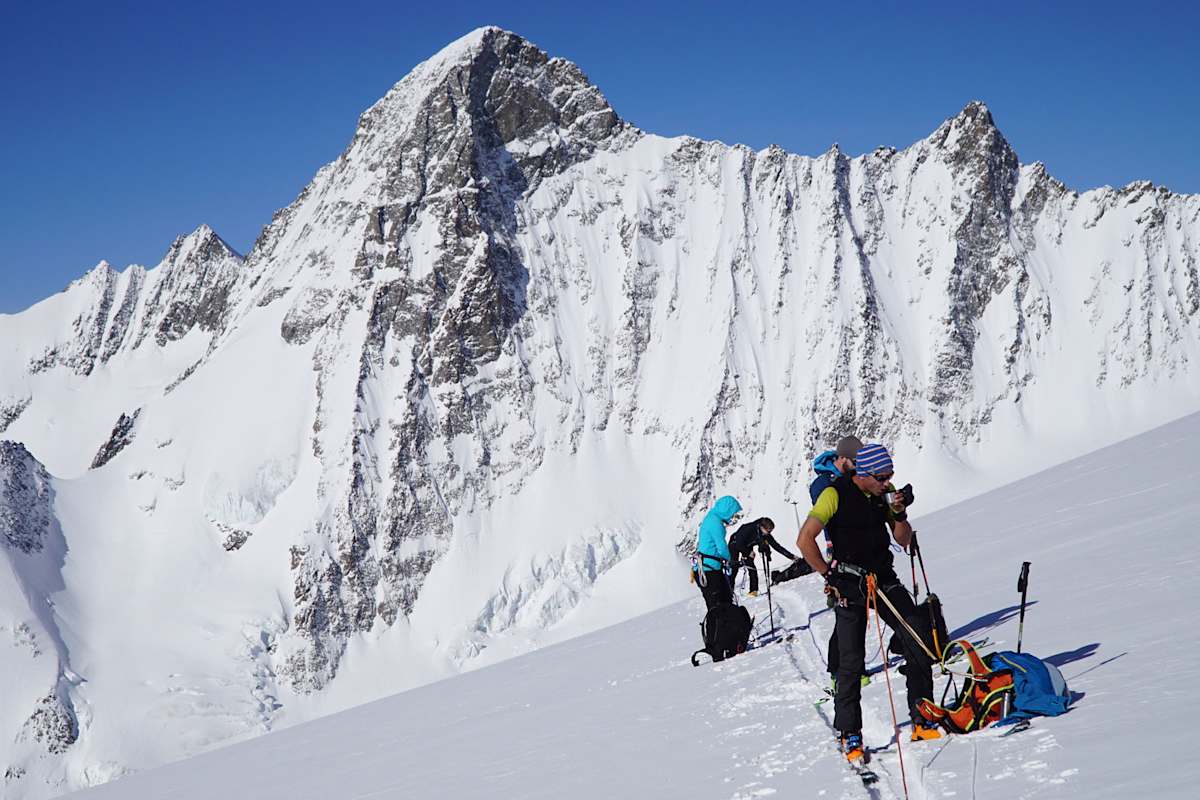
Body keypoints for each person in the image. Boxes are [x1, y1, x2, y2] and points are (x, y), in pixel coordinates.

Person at [795, 443, 940, 763]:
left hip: (883, 577)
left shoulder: (882, 497)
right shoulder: (833, 494)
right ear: (864, 473)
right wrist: (828, 575)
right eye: (883, 475)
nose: (888, 481)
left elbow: (902, 539)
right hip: (849, 582)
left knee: (915, 633)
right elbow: (805, 539)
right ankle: (849, 732)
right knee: (850, 660)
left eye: (890, 475)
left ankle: (922, 713)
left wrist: (899, 512)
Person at [809, 436, 862, 682]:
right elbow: (829, 518)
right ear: (842, 459)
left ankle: (847, 666)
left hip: (855, 548)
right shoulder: (823, 485)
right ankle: (838, 669)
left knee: (854, 608)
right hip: (837, 551)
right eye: (854, 460)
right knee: (845, 607)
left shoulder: (847, 479)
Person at [727, 517, 803, 596]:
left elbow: (776, 546)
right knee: (734, 567)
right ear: (762, 527)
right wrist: (748, 552)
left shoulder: (765, 534)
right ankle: (729, 591)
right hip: (735, 543)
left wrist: (791, 556)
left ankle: (753, 591)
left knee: (751, 567)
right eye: (768, 531)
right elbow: (739, 544)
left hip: (748, 546)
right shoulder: (748, 528)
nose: (769, 533)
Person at [693, 495, 743, 610]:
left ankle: (723, 626)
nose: (732, 517)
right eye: (732, 513)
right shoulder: (716, 523)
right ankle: (724, 627)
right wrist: (730, 561)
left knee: (716, 604)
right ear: (727, 510)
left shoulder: (711, 518)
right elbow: (722, 547)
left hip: (706, 568)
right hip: (709, 571)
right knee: (721, 603)